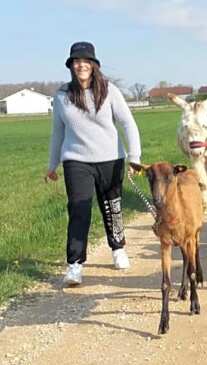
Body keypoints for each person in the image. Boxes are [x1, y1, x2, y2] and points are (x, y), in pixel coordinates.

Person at [45, 41, 142, 285]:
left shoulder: (110, 91)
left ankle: (118, 249)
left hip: (110, 159)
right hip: (76, 161)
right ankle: (75, 264)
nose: (81, 65)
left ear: (94, 65)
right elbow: (58, 132)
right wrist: (52, 164)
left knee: (112, 207)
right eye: (76, 61)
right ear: (71, 66)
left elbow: (128, 123)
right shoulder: (62, 96)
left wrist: (135, 157)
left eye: (85, 61)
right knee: (79, 210)